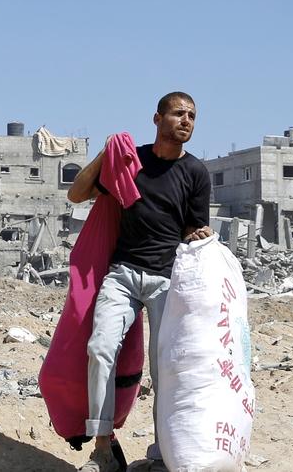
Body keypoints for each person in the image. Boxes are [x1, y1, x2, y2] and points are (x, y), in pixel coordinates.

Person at [66, 92, 213, 472]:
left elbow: (192, 229)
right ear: (157, 119)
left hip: (167, 280)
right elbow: (76, 194)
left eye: (192, 116)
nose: (186, 120)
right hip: (123, 274)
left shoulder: (196, 172)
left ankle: (164, 454)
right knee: (100, 348)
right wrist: (106, 154)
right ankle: (103, 449)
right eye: (178, 113)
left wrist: (199, 235)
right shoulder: (132, 161)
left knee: (165, 367)